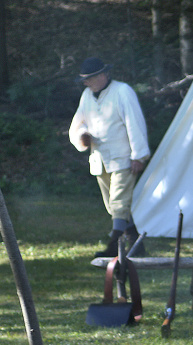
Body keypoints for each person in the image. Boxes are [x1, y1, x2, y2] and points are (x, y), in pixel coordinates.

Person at [69, 57, 150, 258]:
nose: (87, 83)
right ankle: (137, 245)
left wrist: (138, 155)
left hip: (124, 158)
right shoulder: (87, 96)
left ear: (103, 75)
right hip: (99, 160)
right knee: (113, 207)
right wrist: (83, 136)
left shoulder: (123, 91)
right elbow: (78, 124)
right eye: (85, 80)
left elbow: (135, 123)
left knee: (119, 203)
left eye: (90, 79)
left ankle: (113, 245)